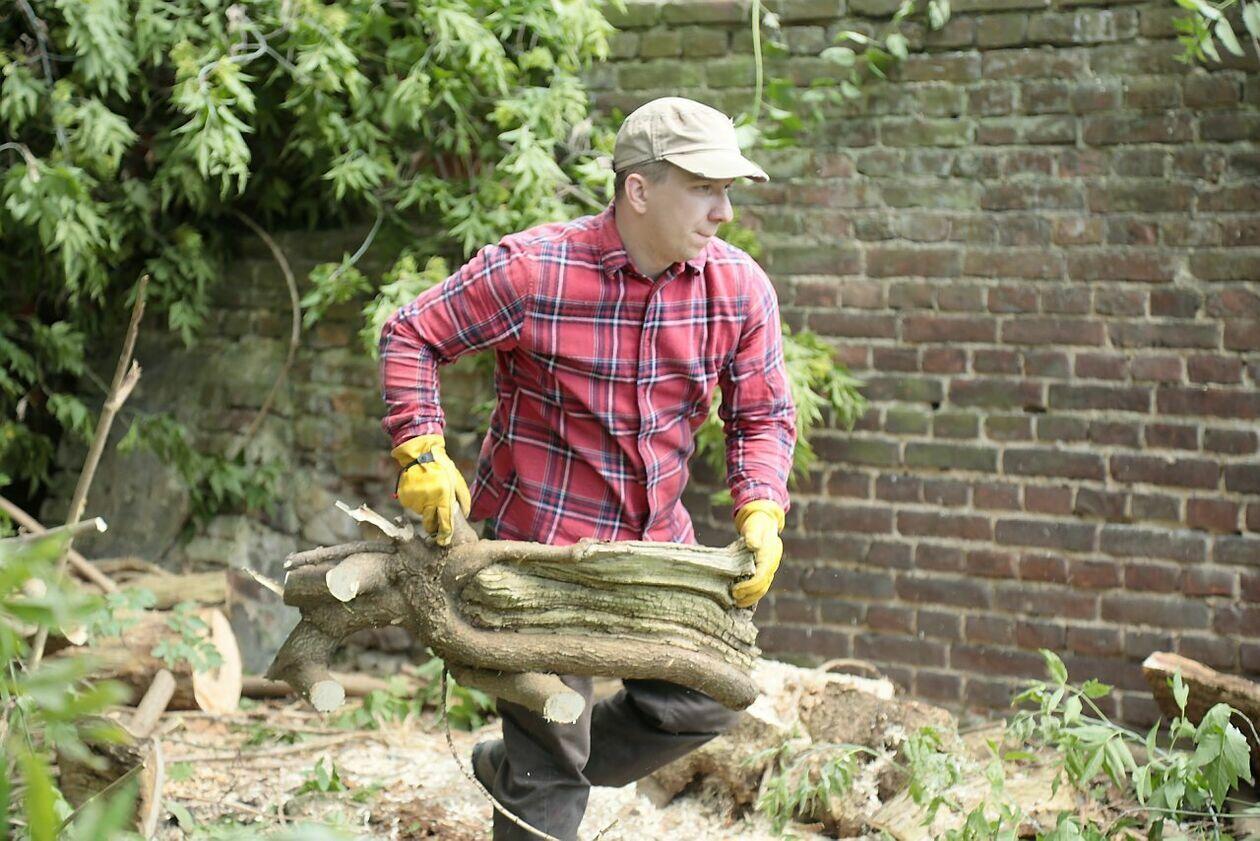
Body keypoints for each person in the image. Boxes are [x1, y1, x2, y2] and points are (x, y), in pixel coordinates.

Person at [378, 96, 797, 840]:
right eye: (705, 188)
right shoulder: (534, 270)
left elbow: (760, 416)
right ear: (639, 189)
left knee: (709, 697)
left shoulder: (737, 289)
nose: (724, 211)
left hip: (655, 551)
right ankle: (540, 772)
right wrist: (422, 449)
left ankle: (524, 770)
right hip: (536, 554)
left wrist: (761, 509)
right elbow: (412, 335)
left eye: (728, 190)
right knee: (553, 743)